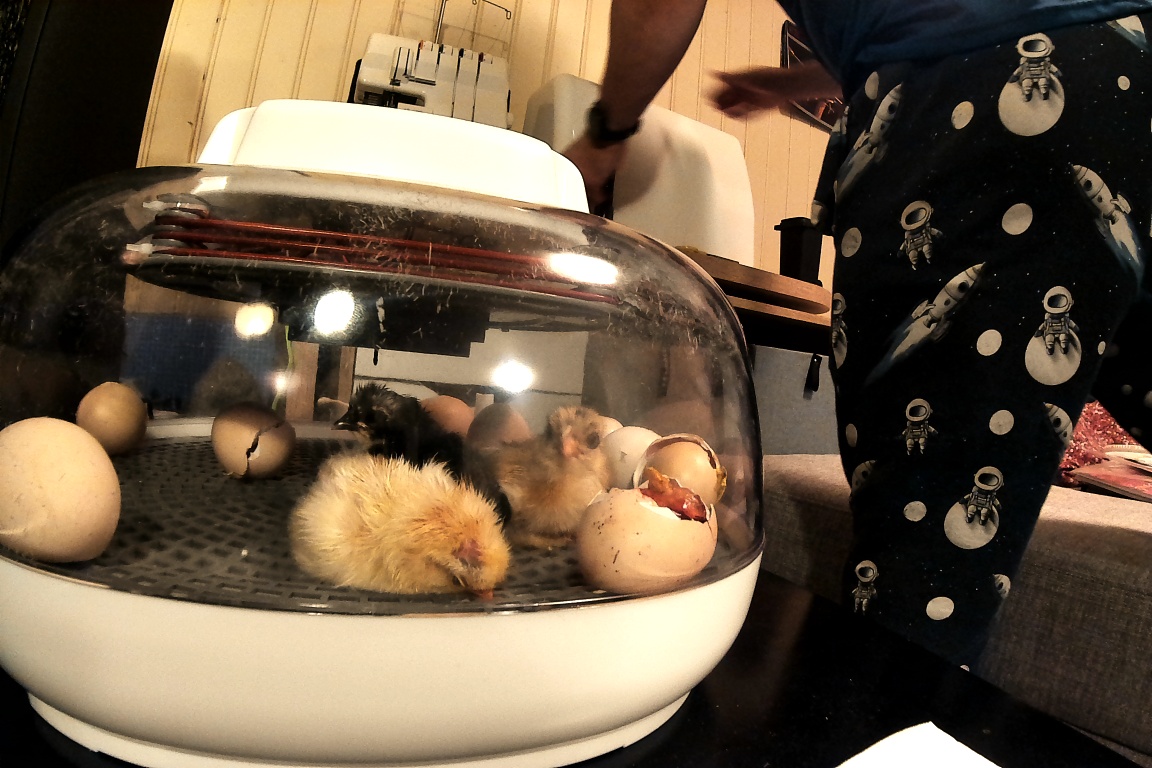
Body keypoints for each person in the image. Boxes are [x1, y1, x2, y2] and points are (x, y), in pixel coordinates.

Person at [564, 1, 1152, 668]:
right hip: (1128, 73)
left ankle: (893, 710)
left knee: (926, 537)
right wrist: (812, 74)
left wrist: (605, 133)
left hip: (991, 88)